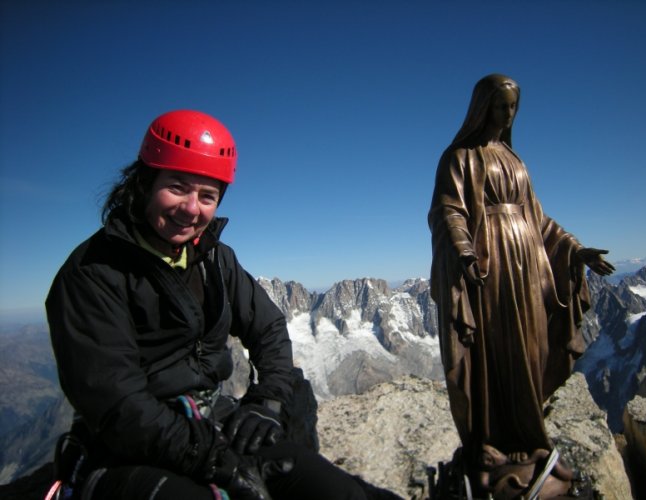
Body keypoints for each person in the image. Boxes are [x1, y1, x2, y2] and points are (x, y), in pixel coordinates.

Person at [46, 110, 398, 500]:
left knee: (338, 493)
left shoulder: (216, 259)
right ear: (144, 183)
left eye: (207, 195)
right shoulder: (93, 272)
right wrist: (215, 458)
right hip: (127, 448)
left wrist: (267, 402)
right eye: (177, 187)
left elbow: (268, 328)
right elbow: (118, 405)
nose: (191, 208)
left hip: (214, 422)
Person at [427, 75, 614, 497]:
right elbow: (447, 211)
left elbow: (539, 221)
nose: (508, 114)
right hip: (489, 268)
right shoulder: (459, 157)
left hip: (527, 264)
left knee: (531, 349)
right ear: (482, 108)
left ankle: (531, 441)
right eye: (500, 106)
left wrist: (575, 250)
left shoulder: (516, 161)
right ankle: (491, 442)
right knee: (496, 351)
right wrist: (464, 251)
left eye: (513, 107)